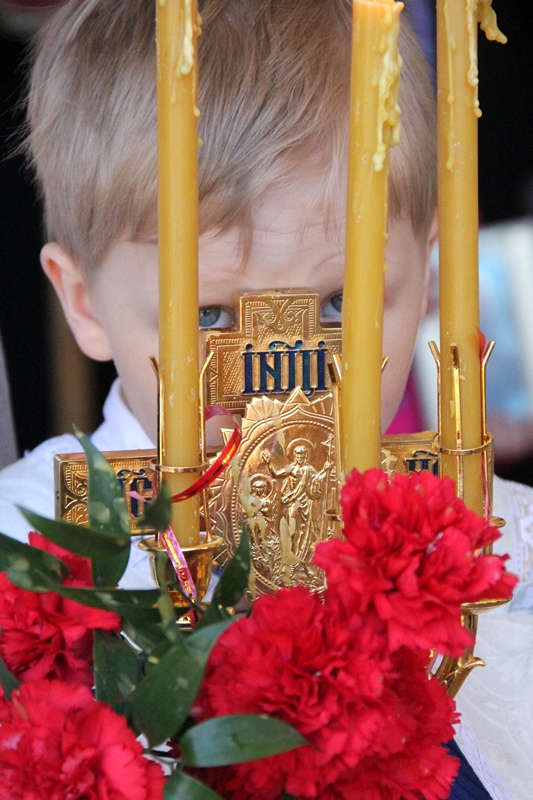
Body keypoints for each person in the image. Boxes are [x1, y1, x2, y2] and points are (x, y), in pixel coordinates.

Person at [0, 1, 529, 797]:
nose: (278, 381)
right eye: (208, 314)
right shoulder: (21, 565)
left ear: (427, 272)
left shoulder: (508, 545)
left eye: (336, 305)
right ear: (83, 303)